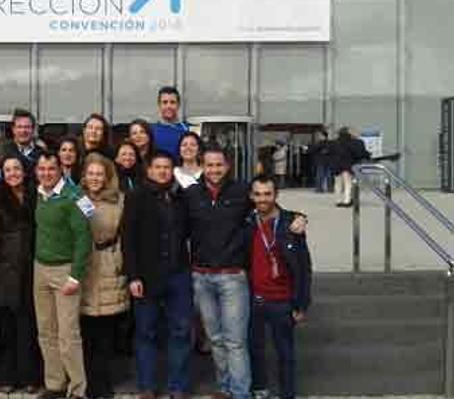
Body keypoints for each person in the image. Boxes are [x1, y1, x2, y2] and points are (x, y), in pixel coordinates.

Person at [183, 144, 306, 399]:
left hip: (232, 277)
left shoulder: (241, 191)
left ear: (227, 166)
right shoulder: (191, 194)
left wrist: (300, 217)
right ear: (202, 166)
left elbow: (268, 205)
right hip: (201, 277)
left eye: (219, 165)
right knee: (215, 339)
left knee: (235, 340)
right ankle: (225, 388)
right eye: (209, 165)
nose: (214, 170)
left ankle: (240, 393)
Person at [122, 151, 193, 399]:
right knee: (146, 332)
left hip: (178, 274)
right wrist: (133, 276)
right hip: (146, 276)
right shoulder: (136, 197)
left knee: (181, 331)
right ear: (149, 170)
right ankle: (147, 386)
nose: (163, 171)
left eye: (167, 167)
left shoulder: (181, 196)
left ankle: (178, 386)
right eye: (158, 167)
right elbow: (128, 240)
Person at [245, 176, 312, 399]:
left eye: (268, 194)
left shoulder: (291, 223)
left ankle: (287, 393)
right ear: (251, 196)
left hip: (283, 300)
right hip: (254, 298)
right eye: (258, 194)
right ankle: (260, 389)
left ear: (276, 195)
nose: (263, 199)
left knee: (285, 351)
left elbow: (304, 267)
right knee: (255, 349)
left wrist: (301, 303)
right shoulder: (246, 222)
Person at [33, 151, 92, 399]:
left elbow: (83, 238)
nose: (46, 174)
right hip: (40, 269)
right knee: (46, 331)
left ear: (60, 170)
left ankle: (78, 389)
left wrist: (75, 276)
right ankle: (55, 384)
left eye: (51, 169)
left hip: (65, 271)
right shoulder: (39, 194)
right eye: (42, 169)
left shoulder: (74, 196)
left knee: (68, 334)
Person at [78, 154, 129, 399]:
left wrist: (119, 259)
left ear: (107, 176)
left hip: (109, 265)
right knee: (85, 331)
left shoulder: (119, 200)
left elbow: (125, 234)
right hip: (84, 267)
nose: (95, 178)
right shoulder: (76, 199)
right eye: (91, 174)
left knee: (106, 332)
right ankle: (86, 382)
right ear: (84, 177)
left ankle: (104, 382)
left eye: (100, 174)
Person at [0, 156, 42, 393]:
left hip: (33, 265)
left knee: (29, 324)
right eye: (7, 169)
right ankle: (7, 376)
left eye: (17, 168)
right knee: (7, 324)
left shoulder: (36, 193)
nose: (12, 173)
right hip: (5, 268)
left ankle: (30, 376)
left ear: (25, 171)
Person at [330, 127, 371, 207]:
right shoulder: (353, 142)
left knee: (338, 184)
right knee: (348, 184)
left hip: (336, 166)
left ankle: (338, 200)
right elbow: (359, 153)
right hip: (348, 165)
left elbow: (330, 153)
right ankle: (347, 200)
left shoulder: (334, 142)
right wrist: (367, 155)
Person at [2, 108, 45, 174]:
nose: (23, 131)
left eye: (27, 127)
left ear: (33, 129)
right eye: (19, 127)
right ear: (13, 129)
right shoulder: (3, 152)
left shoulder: (42, 154)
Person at [152, 86, 190, 159]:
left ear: (178, 105)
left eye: (172, 102)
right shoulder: (151, 131)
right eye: (165, 102)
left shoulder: (187, 130)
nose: (168, 106)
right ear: (159, 105)